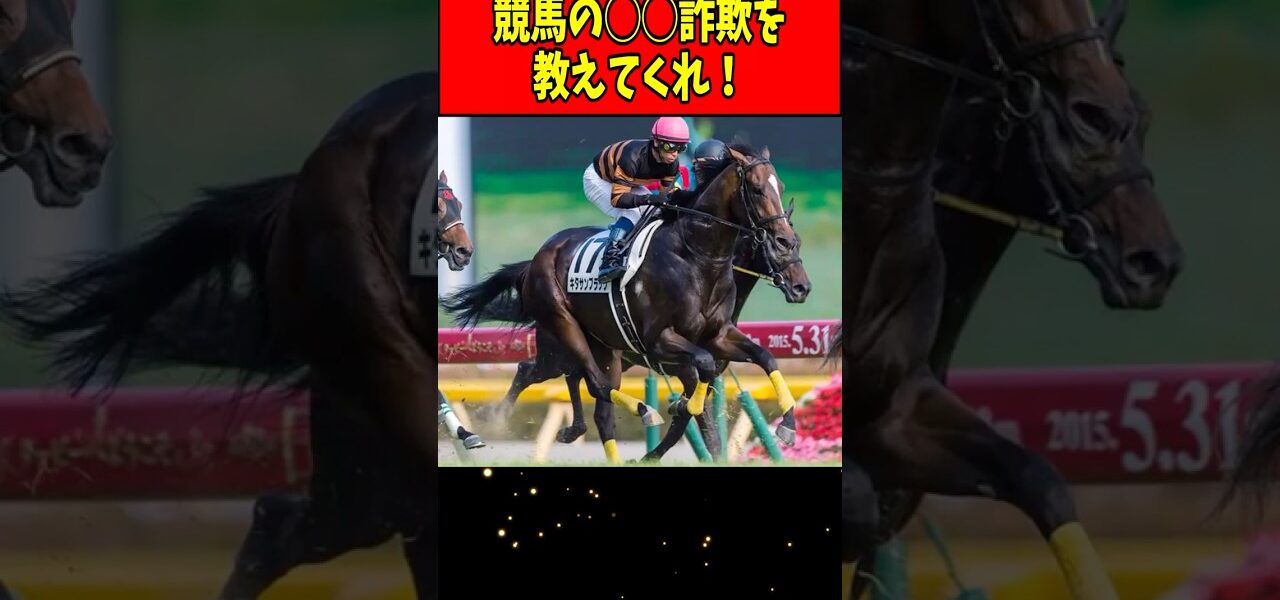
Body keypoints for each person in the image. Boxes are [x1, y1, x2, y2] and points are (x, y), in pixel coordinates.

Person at [584, 116, 688, 283]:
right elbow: (618, 199)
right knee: (631, 213)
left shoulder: (672, 164)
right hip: (599, 179)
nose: (674, 153)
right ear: (656, 142)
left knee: (656, 212)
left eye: (681, 147)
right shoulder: (632, 157)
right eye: (670, 146)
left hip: (630, 182)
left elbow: (666, 197)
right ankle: (609, 260)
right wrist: (649, 198)